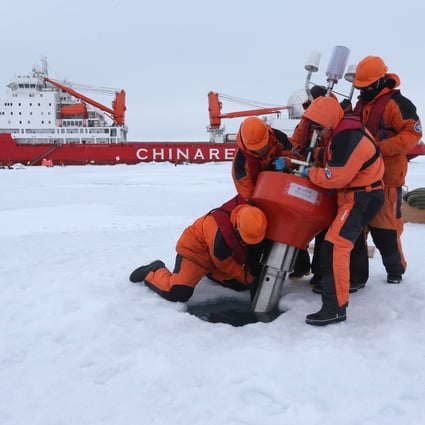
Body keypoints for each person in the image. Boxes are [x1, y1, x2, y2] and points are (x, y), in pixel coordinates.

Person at [300, 96, 385, 325]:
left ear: (328, 121)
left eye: (318, 127)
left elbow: (335, 177)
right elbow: (332, 155)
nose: (318, 132)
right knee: (347, 241)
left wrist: (311, 173)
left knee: (335, 246)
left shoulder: (348, 136)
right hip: (357, 194)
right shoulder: (341, 132)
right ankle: (352, 282)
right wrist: (301, 160)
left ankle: (335, 308)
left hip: (360, 197)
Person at [352, 56, 422, 284]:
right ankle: (357, 277)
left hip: (388, 180)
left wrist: (378, 148)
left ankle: (395, 271)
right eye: (360, 88)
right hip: (360, 179)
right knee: (355, 232)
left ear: (379, 81)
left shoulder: (399, 104)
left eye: (366, 87)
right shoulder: (361, 103)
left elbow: (413, 134)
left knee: (386, 232)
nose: (363, 92)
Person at [129, 203, 268, 302]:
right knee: (178, 293)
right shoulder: (219, 234)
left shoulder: (252, 219)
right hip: (195, 254)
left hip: (214, 260)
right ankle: (153, 270)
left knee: (239, 285)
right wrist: (249, 279)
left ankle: (210, 273)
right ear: (238, 228)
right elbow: (224, 262)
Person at [231, 116, 291, 201]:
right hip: (260, 195)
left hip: (285, 189)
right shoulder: (240, 164)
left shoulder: (280, 138)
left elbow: (298, 158)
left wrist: (287, 162)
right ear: (246, 146)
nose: (261, 150)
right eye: (255, 149)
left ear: (268, 135)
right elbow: (247, 197)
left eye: (263, 146)